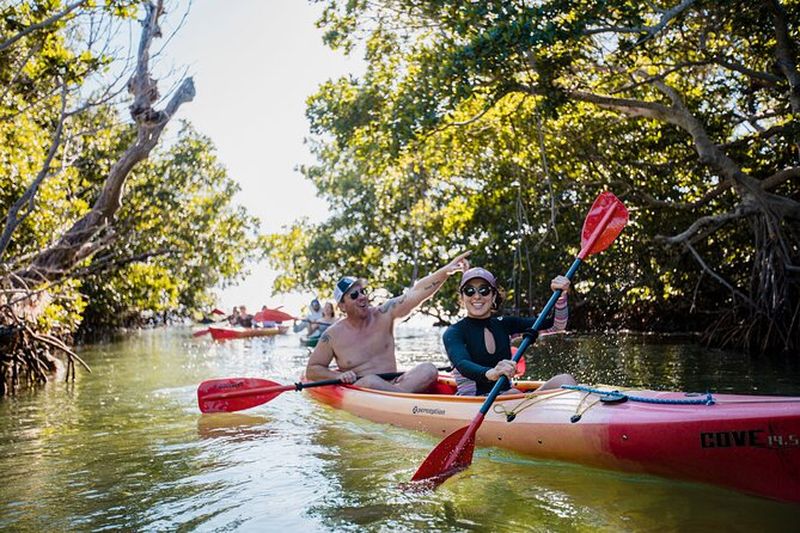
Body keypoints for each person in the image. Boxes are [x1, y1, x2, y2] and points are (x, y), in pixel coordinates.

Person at [306, 251, 472, 392]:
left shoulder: (384, 313)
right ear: (342, 306)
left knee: (429, 369)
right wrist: (338, 376)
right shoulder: (332, 335)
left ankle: (400, 398)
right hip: (363, 389)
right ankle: (406, 401)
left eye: (363, 291)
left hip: (396, 384)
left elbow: (417, 292)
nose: (362, 296)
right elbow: (312, 370)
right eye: (354, 295)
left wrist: (446, 271)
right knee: (371, 381)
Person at [443, 266, 576, 396]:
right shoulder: (454, 332)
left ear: (494, 296)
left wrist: (560, 297)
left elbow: (557, 325)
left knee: (565, 380)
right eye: (469, 291)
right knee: (512, 393)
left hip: (509, 398)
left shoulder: (505, 324)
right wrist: (492, 373)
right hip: (473, 401)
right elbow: (462, 364)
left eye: (484, 290)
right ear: (462, 297)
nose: (477, 296)